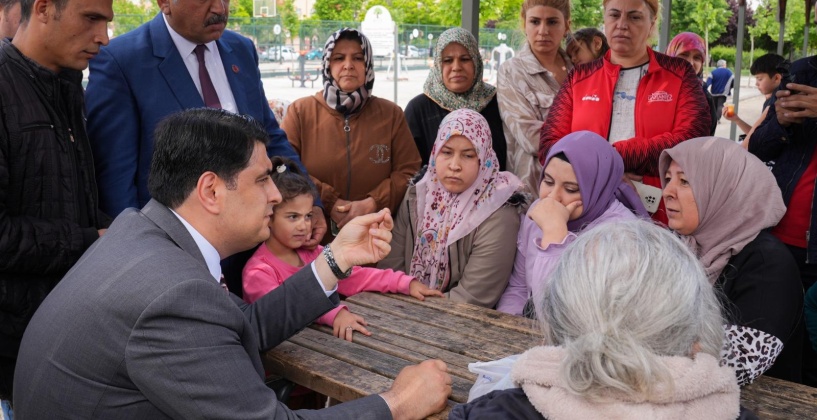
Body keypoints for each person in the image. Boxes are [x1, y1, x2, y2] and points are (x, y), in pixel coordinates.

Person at [13, 108, 452, 418]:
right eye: (262, 179)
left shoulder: (141, 230)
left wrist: (335, 260)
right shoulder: (173, 297)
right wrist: (397, 404)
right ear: (210, 191)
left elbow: (245, 326)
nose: (276, 195)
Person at [84, 0, 325, 245]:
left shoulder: (241, 50)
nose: (220, 9)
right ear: (164, 3)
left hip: (252, 248)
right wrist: (137, 248)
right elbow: (115, 177)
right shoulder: (121, 61)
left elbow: (269, 135)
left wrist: (311, 203)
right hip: (172, 250)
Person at [451, 220, 746, 419]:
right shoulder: (729, 411)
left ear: (556, 325)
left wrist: (403, 406)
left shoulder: (495, 412)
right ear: (695, 336)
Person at [0, 0, 113, 407]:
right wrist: (90, 238)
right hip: (18, 342)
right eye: (91, 18)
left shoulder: (67, 86)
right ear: (44, 8)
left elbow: (71, 197)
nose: (103, 37)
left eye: (106, 22)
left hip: (69, 327)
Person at [539, 0, 710, 225]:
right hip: (583, 215)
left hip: (658, 216)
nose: (622, 24)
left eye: (634, 17)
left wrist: (613, 158)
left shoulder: (679, 73)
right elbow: (550, 145)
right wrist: (603, 172)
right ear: (605, 19)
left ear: (651, 24)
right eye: (614, 15)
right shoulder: (579, 78)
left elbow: (692, 138)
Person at [242, 156, 442, 341]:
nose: (304, 226)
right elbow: (280, 313)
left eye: (308, 216)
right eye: (293, 217)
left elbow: (357, 277)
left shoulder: (314, 253)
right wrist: (335, 313)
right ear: (269, 215)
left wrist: (404, 283)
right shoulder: (258, 272)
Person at [660, 136, 803, 383]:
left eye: (684, 181)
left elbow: (737, 363)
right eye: (668, 179)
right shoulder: (680, 246)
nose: (667, 192)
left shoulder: (767, 263)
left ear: (724, 190)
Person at [379, 109, 526, 308]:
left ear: (484, 159)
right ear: (434, 152)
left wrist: (411, 312)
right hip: (402, 310)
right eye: (446, 152)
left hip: (461, 325)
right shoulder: (418, 195)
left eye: (468, 155)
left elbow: (472, 297)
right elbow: (391, 267)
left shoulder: (499, 211)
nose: (454, 165)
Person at [282, 28, 420, 238]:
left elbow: (408, 170)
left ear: (368, 66)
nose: (348, 65)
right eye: (339, 58)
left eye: (357, 58)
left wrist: (373, 203)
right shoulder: (301, 112)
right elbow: (285, 167)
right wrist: (328, 201)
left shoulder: (390, 114)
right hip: (314, 238)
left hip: (376, 237)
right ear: (328, 64)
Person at [496, 131, 648, 316]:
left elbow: (568, 313)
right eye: (548, 182)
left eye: (571, 189)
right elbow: (518, 287)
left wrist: (555, 234)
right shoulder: (540, 211)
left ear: (598, 188)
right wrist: (510, 325)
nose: (553, 197)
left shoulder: (621, 235)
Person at [749, 53, 817, 386]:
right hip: (781, 239)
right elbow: (758, 149)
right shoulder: (803, 71)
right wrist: (779, 122)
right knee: (780, 347)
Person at [405, 27, 507, 171]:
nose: (456, 67)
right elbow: (410, 168)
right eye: (448, 60)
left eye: (465, 59)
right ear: (438, 64)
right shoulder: (419, 109)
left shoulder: (497, 102)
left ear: (476, 62)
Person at [497, 0, 573, 193]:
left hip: (578, 189)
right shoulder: (511, 72)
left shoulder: (580, 70)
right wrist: (587, 144)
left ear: (567, 25)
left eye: (552, 22)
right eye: (535, 21)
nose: (543, 30)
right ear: (524, 24)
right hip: (531, 192)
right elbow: (531, 137)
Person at [724, 53, 784, 144]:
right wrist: (736, 119)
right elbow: (756, 134)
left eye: (759, 79)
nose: (756, 83)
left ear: (776, 78)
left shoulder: (777, 105)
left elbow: (758, 139)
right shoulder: (771, 101)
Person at [665, 32, 718, 135]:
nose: (690, 62)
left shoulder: (705, 97)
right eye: (684, 55)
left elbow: (707, 136)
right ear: (670, 56)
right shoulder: (655, 91)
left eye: (697, 57)